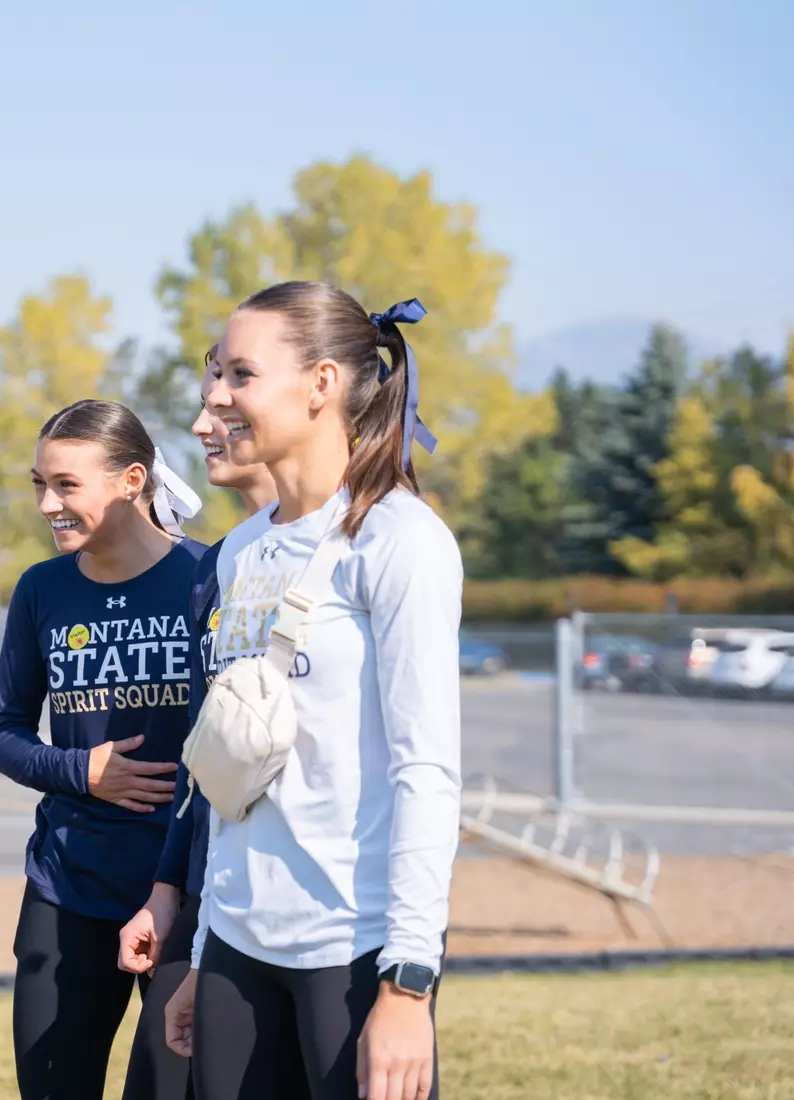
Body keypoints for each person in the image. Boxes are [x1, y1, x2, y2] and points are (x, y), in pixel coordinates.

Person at [164, 283, 463, 1100]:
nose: (217, 397)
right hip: (235, 949)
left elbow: (425, 773)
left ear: (322, 384)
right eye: (216, 375)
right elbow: (235, 774)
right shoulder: (238, 553)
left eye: (240, 374)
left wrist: (407, 984)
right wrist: (201, 957)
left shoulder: (400, 541)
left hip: (353, 953)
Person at [0, 399, 205, 1100]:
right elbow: (4, 733)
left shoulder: (208, 578)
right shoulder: (41, 589)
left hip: (185, 894)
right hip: (68, 883)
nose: (48, 503)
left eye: (67, 485)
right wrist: (82, 771)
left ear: (132, 480)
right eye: (38, 484)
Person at [117, 365, 291, 1100]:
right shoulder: (220, 567)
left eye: (229, 400)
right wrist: (167, 893)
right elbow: (204, 762)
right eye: (203, 405)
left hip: (319, 918)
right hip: (215, 897)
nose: (204, 425)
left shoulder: (369, 541)